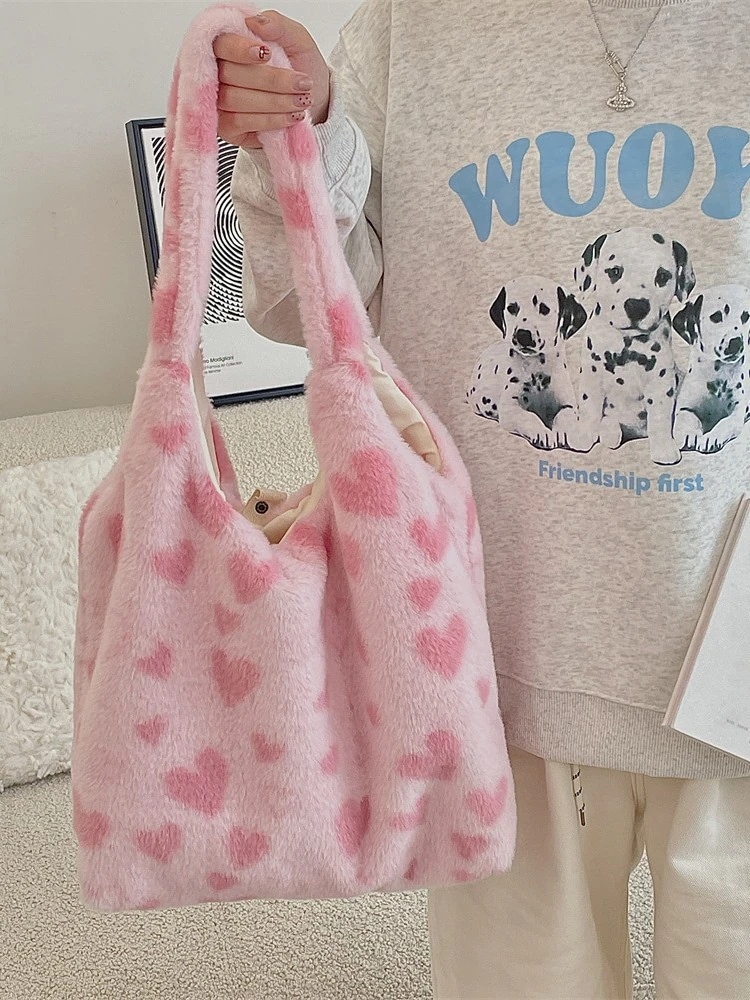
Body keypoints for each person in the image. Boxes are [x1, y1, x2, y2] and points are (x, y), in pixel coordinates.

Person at [214, 2, 750, 996]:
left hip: (736, 669)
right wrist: (301, 135)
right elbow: (295, 306)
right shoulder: (411, 26)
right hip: (492, 652)